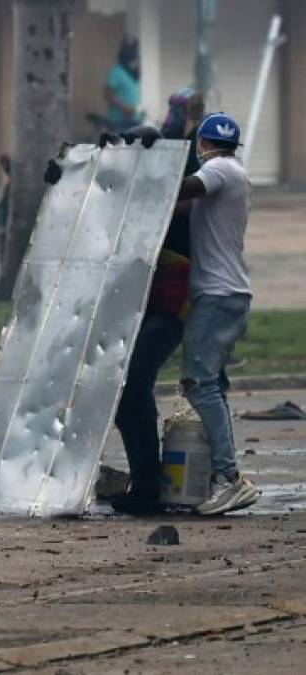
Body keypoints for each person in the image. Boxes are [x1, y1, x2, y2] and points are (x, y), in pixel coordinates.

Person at [111, 90, 205, 515]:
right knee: (124, 391)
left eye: (178, 114)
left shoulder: (189, 173)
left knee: (135, 384)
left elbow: (180, 190)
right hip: (139, 300)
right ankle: (144, 480)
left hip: (172, 305)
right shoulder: (145, 182)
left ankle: (149, 486)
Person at [171, 111, 258, 515]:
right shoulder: (233, 175)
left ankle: (230, 479)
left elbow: (186, 187)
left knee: (198, 382)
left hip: (219, 295)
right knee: (212, 387)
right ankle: (215, 473)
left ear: (202, 145)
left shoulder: (221, 170)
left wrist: (158, 167)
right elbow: (185, 209)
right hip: (227, 294)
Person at [103, 38, 142, 134]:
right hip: (120, 122)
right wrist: (124, 107)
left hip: (135, 120)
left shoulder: (133, 74)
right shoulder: (116, 71)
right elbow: (108, 93)